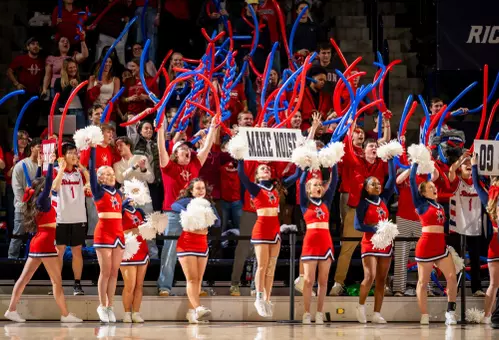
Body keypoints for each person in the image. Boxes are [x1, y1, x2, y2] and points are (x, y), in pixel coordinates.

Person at [4, 154, 82, 323]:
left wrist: (41, 165)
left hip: (38, 242)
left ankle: (11, 309)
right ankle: (65, 314)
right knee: (57, 281)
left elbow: (40, 181)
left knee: (24, 279)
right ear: (42, 190)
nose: (53, 185)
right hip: (46, 243)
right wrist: (53, 164)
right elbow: (46, 184)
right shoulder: (43, 200)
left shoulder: (37, 199)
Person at [157, 118, 218, 296]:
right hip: (173, 212)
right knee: (170, 250)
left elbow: (206, 148)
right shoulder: (168, 167)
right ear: (175, 153)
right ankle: (164, 286)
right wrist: (160, 130)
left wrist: (213, 127)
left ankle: (196, 287)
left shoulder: (194, 164)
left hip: (194, 213)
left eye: (188, 149)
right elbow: (161, 149)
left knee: (197, 249)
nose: (187, 151)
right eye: (183, 149)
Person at [330, 138, 389, 296]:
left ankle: (381, 284)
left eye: (376, 146)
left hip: (376, 212)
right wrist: (351, 121)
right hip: (355, 210)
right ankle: (338, 282)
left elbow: (392, 164)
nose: (374, 148)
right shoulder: (355, 161)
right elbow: (347, 145)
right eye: (371, 146)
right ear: (363, 150)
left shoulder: (382, 164)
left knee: (381, 249)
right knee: (347, 249)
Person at [409, 161, 458, 325]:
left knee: (452, 277)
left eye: (434, 187)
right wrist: (415, 165)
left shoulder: (439, 205)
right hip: (426, 246)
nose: (434, 189)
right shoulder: (421, 204)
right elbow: (411, 182)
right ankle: (424, 315)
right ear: (422, 193)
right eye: (430, 188)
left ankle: (450, 313)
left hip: (440, 246)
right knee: (423, 282)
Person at [171, 178, 220, 323]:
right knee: (192, 279)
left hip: (202, 243)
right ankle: (198, 308)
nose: (201, 191)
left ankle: (192, 312)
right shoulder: (187, 201)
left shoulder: (208, 204)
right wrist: (190, 211)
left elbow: (218, 222)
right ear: (191, 191)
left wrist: (207, 214)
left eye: (203, 188)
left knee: (198, 280)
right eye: (197, 188)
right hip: (187, 242)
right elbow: (173, 205)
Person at [237, 159, 281, 317]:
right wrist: (240, 158)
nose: (266, 170)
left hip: (275, 231)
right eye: (262, 169)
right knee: (262, 266)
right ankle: (258, 297)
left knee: (271, 268)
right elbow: (241, 175)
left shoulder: (276, 189)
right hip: (261, 229)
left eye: (268, 169)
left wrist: (302, 163)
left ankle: (268, 299)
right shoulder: (255, 189)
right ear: (256, 175)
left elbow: (296, 175)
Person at [354, 157, 395, 324]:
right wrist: (377, 229)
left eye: (378, 184)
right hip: (369, 243)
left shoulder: (383, 199)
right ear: (366, 188)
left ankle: (377, 313)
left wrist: (391, 160)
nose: (377, 186)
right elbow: (358, 225)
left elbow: (392, 180)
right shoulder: (363, 203)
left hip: (385, 243)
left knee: (381, 279)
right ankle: (361, 306)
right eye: (373, 184)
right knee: (369, 276)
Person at [88, 144, 124, 323]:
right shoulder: (97, 190)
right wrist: (93, 148)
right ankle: (102, 305)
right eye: (106, 174)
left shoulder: (119, 193)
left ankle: (110, 306)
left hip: (118, 233)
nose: (111, 176)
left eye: (112, 173)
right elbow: (90, 167)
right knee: (105, 271)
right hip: (103, 233)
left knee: (114, 272)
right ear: (100, 178)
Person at [393, 162, 439, 297]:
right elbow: (398, 180)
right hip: (403, 218)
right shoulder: (405, 172)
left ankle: (427, 287)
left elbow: (436, 175)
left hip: (422, 220)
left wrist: (429, 161)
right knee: (401, 254)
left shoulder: (426, 176)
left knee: (426, 255)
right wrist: (411, 166)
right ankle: (398, 289)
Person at [299, 165, 338, 324]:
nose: (318, 187)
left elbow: (334, 181)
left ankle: (320, 313)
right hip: (310, 243)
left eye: (320, 184)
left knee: (323, 281)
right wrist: (305, 169)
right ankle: (307, 313)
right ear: (309, 190)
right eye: (315, 185)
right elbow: (301, 184)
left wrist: (333, 164)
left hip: (325, 243)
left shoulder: (326, 201)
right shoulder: (304, 203)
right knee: (308, 280)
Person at [52, 143, 89, 296]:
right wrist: (61, 169)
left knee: (77, 251)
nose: (75, 155)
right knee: (58, 252)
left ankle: (77, 284)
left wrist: (82, 166)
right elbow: (54, 187)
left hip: (79, 217)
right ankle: (57, 284)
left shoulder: (80, 172)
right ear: (63, 156)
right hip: (61, 217)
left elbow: (90, 183)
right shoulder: (55, 171)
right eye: (71, 153)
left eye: (76, 153)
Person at [113, 136, 158, 258]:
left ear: (128, 145)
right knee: (129, 231)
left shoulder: (141, 158)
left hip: (144, 199)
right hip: (128, 202)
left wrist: (143, 169)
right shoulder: (117, 164)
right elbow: (120, 179)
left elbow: (151, 178)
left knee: (148, 228)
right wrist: (133, 167)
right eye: (117, 146)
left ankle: (153, 258)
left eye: (121, 145)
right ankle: (131, 257)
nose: (118, 148)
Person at [447, 152, 484, 297]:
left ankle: (477, 288)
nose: (468, 165)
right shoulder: (456, 181)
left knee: (475, 260)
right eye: (465, 163)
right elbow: (450, 170)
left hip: (474, 226)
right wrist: (461, 158)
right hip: (457, 226)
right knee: (456, 261)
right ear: (460, 167)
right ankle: (453, 289)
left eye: (470, 163)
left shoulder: (478, 182)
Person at [471, 155, 499, 324]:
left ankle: (487, 316)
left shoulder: (489, 199)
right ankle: (490, 316)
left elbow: (476, 185)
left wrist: (474, 167)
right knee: (494, 284)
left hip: (495, 243)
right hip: (496, 242)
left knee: (493, 284)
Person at [80, 124, 116, 245]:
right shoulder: (90, 148)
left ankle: (104, 245)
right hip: (93, 190)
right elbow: (82, 167)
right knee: (94, 220)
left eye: (112, 132)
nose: (111, 135)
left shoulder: (109, 150)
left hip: (107, 191)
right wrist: (89, 183)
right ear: (100, 134)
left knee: (105, 220)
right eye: (108, 132)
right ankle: (91, 249)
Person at [8, 138, 42, 259]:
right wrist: (25, 203)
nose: (41, 150)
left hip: (38, 208)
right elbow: (16, 188)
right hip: (23, 207)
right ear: (32, 148)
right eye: (38, 147)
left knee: (36, 236)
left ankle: (33, 259)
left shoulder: (43, 166)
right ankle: (12, 260)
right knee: (18, 235)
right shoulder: (21, 165)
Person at [120, 198, 149, 323]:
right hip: (128, 251)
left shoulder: (140, 211)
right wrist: (134, 231)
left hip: (142, 250)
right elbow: (117, 231)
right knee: (129, 285)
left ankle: (136, 312)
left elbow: (145, 230)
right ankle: (127, 312)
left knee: (139, 285)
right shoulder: (120, 211)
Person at [93, 0, 134, 65]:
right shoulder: (101, 5)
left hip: (117, 37)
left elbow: (127, 19)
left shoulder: (121, 6)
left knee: (120, 61)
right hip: (103, 36)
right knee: (99, 59)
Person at [4, 131, 28, 240]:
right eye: (21, 138)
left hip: (26, 188)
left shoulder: (28, 155)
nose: (24, 141)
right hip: (12, 188)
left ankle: (24, 238)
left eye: (26, 139)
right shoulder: (9, 155)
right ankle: (13, 238)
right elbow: (8, 175)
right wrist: (14, 164)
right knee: (12, 213)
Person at [87, 57, 123, 127]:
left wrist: (107, 106)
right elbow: (89, 97)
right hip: (95, 111)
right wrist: (96, 87)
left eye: (110, 62)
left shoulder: (115, 79)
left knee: (109, 134)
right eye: (106, 62)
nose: (108, 64)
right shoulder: (92, 78)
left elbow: (116, 97)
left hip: (109, 112)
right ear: (100, 63)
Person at [54, 59, 87, 129]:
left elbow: (84, 97)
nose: (73, 69)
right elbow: (60, 99)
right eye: (70, 68)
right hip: (66, 112)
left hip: (79, 111)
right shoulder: (58, 81)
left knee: (81, 134)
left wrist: (78, 87)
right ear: (66, 69)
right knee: (67, 135)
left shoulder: (80, 80)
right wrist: (69, 86)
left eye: (74, 67)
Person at [299, 66, 333, 130]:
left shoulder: (326, 97)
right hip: (304, 129)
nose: (322, 82)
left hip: (321, 130)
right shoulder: (301, 93)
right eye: (320, 79)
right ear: (312, 78)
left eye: (324, 81)